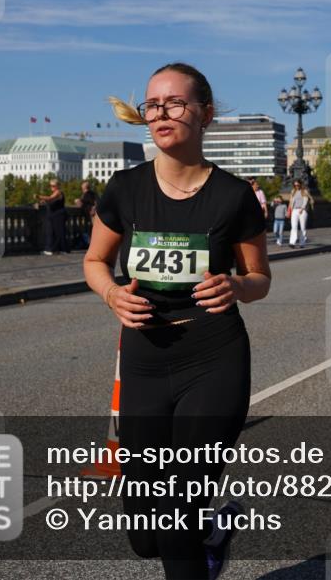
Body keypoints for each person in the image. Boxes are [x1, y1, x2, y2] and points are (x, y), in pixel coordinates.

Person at [87, 62, 270, 579]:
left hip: (214, 359)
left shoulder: (235, 195)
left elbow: (260, 278)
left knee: (176, 511)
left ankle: (196, 533)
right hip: (145, 363)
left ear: (205, 114)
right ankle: (213, 533)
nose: (161, 113)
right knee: (146, 536)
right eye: (152, 104)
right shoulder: (124, 189)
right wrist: (110, 295)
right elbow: (94, 262)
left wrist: (235, 285)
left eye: (175, 103)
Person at [36, 179, 68, 255]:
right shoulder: (54, 193)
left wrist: (39, 196)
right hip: (55, 215)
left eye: (53, 186)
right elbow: (50, 200)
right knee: (56, 233)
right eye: (50, 185)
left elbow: (50, 198)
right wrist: (43, 201)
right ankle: (58, 249)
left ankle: (57, 249)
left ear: (57, 186)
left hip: (58, 215)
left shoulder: (58, 192)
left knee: (58, 232)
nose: (51, 187)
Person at [288, 180, 312, 248]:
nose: (296, 186)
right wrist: (289, 209)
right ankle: (292, 242)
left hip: (302, 210)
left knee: (302, 227)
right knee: (294, 227)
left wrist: (302, 208)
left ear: (300, 184)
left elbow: (306, 200)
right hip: (294, 210)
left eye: (298, 185)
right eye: (295, 185)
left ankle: (302, 243)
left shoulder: (304, 191)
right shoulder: (293, 191)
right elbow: (291, 201)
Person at [75, 180, 98, 249]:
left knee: (92, 230)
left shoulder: (87, 194)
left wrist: (77, 201)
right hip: (89, 214)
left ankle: (92, 245)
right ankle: (93, 244)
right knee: (92, 230)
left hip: (91, 215)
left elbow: (83, 204)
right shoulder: (92, 193)